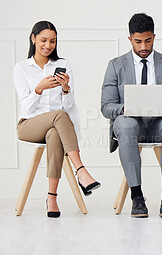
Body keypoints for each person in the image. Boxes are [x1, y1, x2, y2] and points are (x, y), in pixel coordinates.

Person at [101, 13, 162, 218]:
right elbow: (106, 107)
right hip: (133, 125)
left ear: (154, 37)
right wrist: (126, 109)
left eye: (148, 41)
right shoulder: (115, 65)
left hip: (160, 123)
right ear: (130, 38)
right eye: (138, 41)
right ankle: (137, 197)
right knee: (125, 124)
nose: (143, 47)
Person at [14, 21, 100, 218]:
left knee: (55, 132)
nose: (48, 45)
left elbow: (68, 106)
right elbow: (26, 107)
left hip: (56, 127)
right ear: (33, 38)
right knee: (59, 116)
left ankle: (51, 198)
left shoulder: (62, 65)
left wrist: (65, 89)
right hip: (28, 125)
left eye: (52, 41)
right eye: (43, 40)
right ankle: (81, 170)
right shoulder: (21, 68)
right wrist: (39, 88)